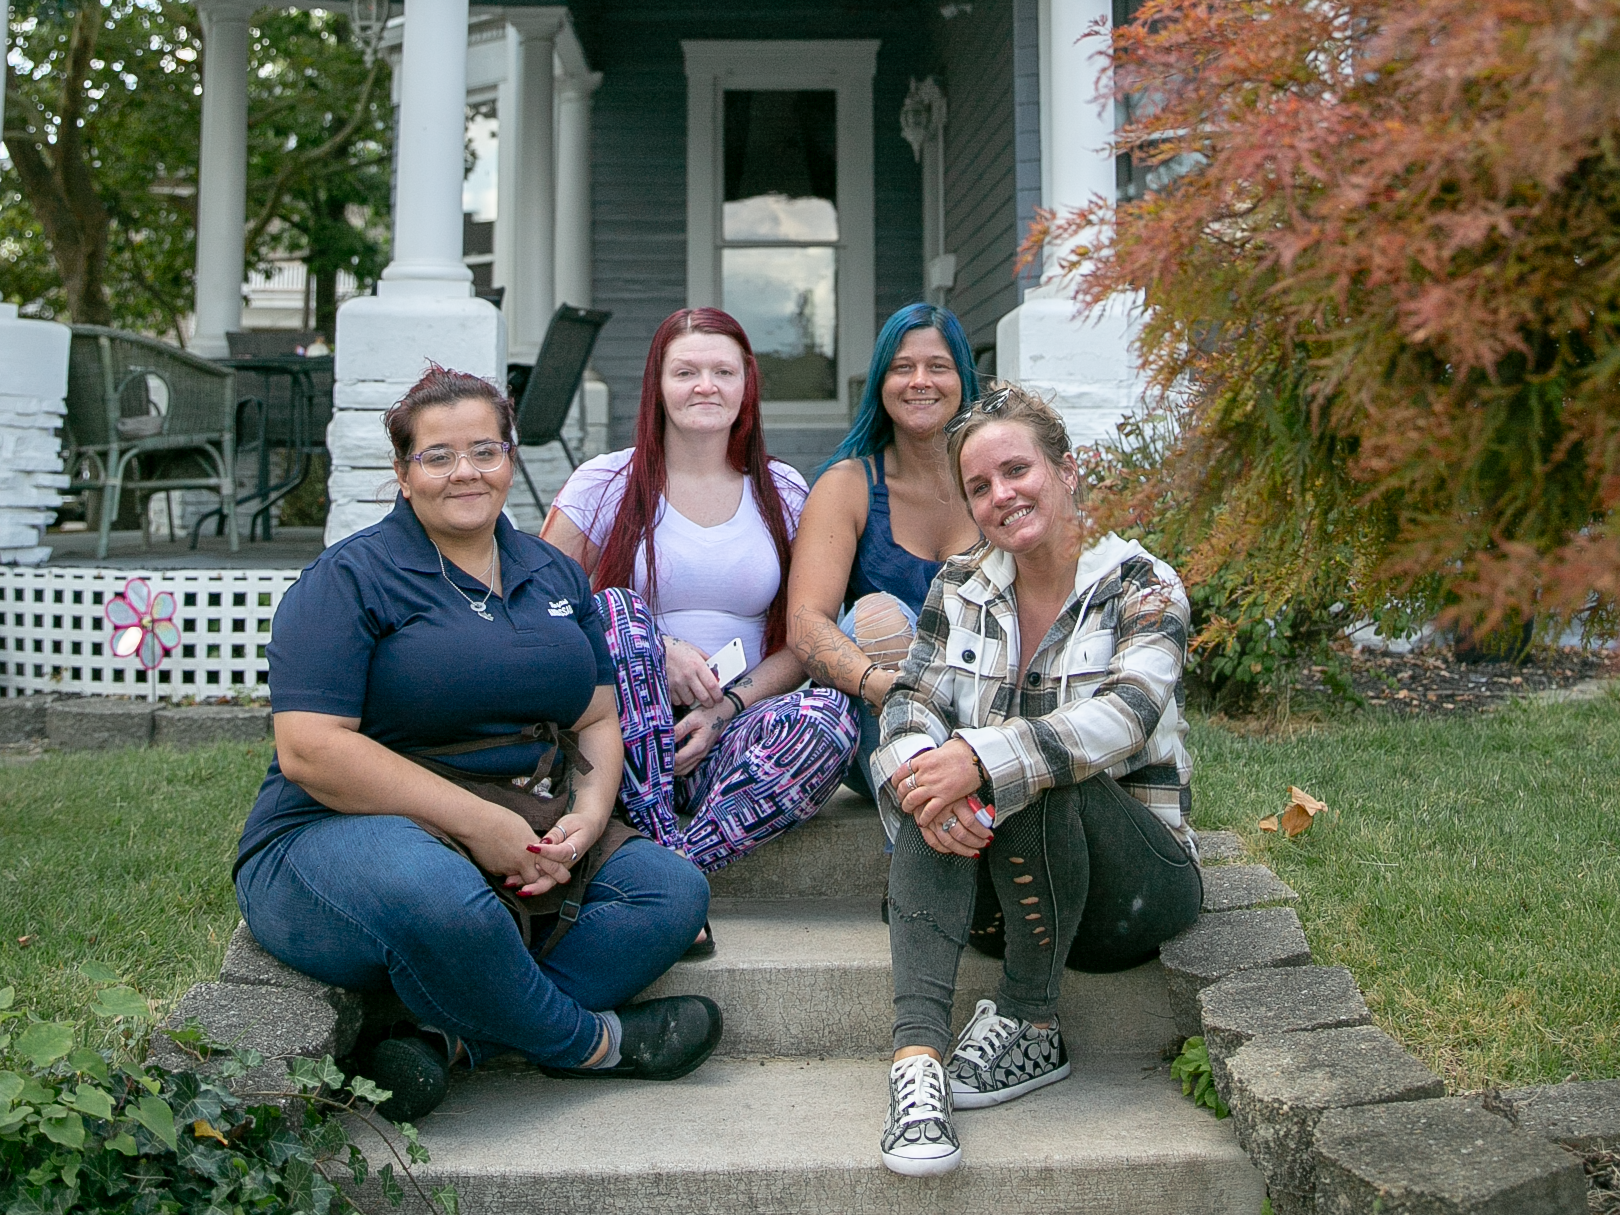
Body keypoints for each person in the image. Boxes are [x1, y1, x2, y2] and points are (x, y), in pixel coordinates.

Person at [234, 366, 721, 1123]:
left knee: (672, 893)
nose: (465, 471)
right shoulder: (349, 580)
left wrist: (590, 814)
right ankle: (591, 1044)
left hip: (524, 817)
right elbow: (310, 751)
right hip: (338, 834)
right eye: (437, 455)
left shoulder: (550, 569)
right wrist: (474, 824)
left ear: (511, 458)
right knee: (449, 903)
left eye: (485, 450)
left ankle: (451, 1040)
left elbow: (596, 717)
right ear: (402, 474)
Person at [869, 383, 1202, 1176]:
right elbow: (911, 695)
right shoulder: (960, 586)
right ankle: (916, 1065)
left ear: (1067, 468)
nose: (1000, 496)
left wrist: (979, 758)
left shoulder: (1142, 586)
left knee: (1033, 769)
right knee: (929, 779)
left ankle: (1031, 1018)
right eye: (979, 487)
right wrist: (922, 775)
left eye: (1016, 470)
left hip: (1130, 897)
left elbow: (1124, 717)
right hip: (1004, 895)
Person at [542, 308, 859, 932]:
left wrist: (724, 710)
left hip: (727, 744)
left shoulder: (782, 490)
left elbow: (809, 636)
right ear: (656, 384)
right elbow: (541, 602)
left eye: (723, 371)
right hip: (618, 741)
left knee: (831, 718)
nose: (704, 386)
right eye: (685, 371)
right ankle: (659, 845)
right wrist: (657, 649)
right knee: (616, 610)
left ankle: (668, 868)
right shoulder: (604, 482)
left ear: (747, 384)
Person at [787, 303, 981, 803]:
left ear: (962, 379)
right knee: (878, 612)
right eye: (902, 368)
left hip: (977, 708)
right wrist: (879, 685)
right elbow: (806, 623)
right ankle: (924, 810)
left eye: (938, 366)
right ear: (880, 382)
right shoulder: (847, 485)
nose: (920, 381)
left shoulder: (994, 482)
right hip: (876, 710)